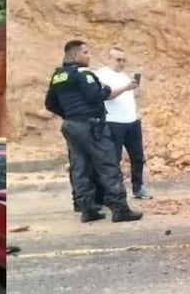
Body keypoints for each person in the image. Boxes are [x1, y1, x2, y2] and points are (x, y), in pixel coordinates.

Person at [45, 40, 144, 223]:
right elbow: (95, 96)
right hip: (90, 125)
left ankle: (87, 209)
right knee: (108, 165)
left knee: (80, 167)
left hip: (71, 125)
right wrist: (104, 90)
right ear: (75, 55)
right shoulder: (84, 74)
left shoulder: (58, 75)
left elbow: (50, 103)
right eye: (86, 52)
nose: (89, 55)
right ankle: (120, 209)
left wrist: (69, 114)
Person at [95, 46, 152, 200]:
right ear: (108, 59)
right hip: (113, 122)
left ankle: (138, 187)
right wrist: (126, 88)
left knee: (138, 157)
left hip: (132, 121)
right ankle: (114, 191)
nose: (121, 63)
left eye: (123, 60)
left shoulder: (125, 76)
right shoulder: (100, 76)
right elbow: (105, 96)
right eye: (118, 60)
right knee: (114, 159)